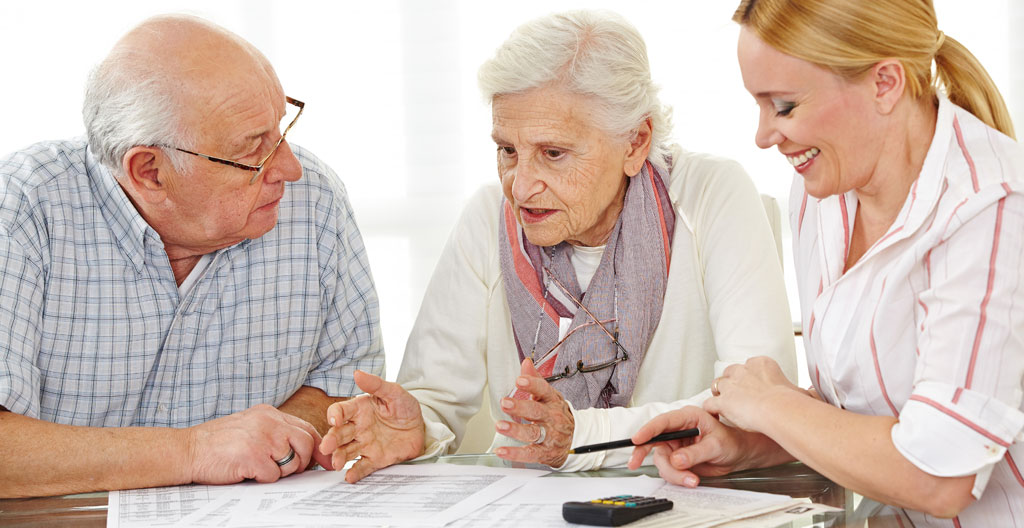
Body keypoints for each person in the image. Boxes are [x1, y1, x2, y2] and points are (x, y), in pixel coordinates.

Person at [319, 9, 796, 483]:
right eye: (507, 150)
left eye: (553, 153)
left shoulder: (712, 193)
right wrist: (413, 427)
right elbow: (436, 399)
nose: (521, 186)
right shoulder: (489, 215)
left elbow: (753, 403)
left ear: (635, 142)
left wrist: (580, 435)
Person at [629, 0, 1024, 525]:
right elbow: (867, 406)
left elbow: (940, 476)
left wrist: (773, 406)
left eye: (785, 106)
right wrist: (749, 440)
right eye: (760, 105)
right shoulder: (823, 193)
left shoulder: (991, 207)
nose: (764, 135)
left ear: (885, 83)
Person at [0, 15, 384, 498]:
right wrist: (193, 451)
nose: (290, 168)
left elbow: (345, 389)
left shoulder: (314, 206)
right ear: (150, 172)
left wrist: (277, 437)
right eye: (253, 149)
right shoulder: (22, 208)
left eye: (281, 128)